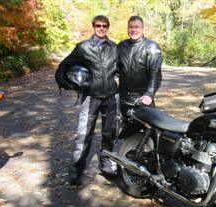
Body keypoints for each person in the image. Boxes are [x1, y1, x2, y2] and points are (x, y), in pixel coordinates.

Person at [55, 15, 118, 186]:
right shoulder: (83, 47)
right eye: (98, 25)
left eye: (104, 25)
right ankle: (75, 172)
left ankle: (107, 165)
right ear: (93, 26)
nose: (101, 28)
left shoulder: (114, 47)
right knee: (83, 135)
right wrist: (66, 83)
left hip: (111, 96)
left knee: (109, 134)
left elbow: (123, 69)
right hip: (90, 97)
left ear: (108, 27)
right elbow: (64, 66)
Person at [117, 15, 163, 108]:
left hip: (142, 98)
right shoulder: (121, 46)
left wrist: (149, 94)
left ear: (142, 28)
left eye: (137, 27)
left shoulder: (151, 47)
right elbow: (115, 70)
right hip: (122, 97)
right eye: (131, 27)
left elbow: (155, 73)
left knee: (141, 122)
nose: (133, 30)